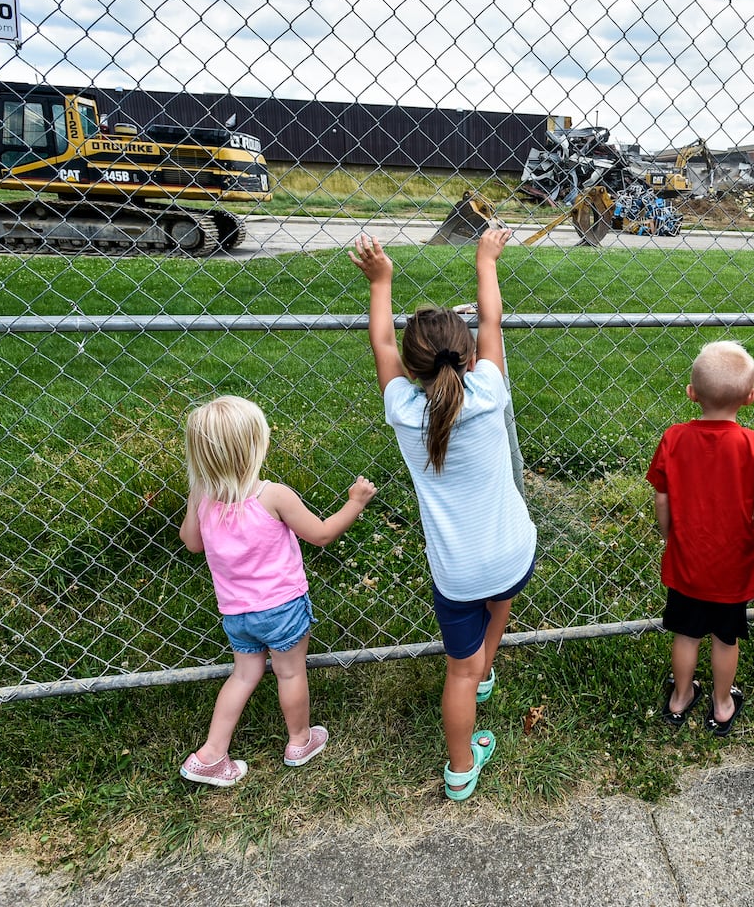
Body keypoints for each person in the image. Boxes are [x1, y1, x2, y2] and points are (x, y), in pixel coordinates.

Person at [350, 228, 537, 801]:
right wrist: (487, 259)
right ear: (471, 355)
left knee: (457, 668)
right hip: (512, 553)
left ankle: (461, 769)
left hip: (454, 574)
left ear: (411, 367)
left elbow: (382, 342)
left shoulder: (403, 410)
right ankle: (486, 672)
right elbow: (493, 322)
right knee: (499, 602)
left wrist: (380, 281)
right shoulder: (489, 391)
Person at [178, 395, 376, 787]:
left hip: (237, 613)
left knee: (242, 675)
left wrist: (197, 498)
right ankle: (300, 741)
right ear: (257, 445)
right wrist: (355, 503)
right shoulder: (273, 495)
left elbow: (191, 543)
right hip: (283, 608)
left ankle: (211, 755)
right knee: (289, 673)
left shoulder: (203, 497)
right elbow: (320, 535)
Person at [645, 340, 754, 736]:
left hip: (687, 560)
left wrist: (671, 535)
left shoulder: (674, 438)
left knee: (686, 634)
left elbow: (661, 495)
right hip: (733, 566)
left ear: (692, 394)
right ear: (750, 397)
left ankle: (680, 698)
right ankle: (722, 705)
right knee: (725, 637)